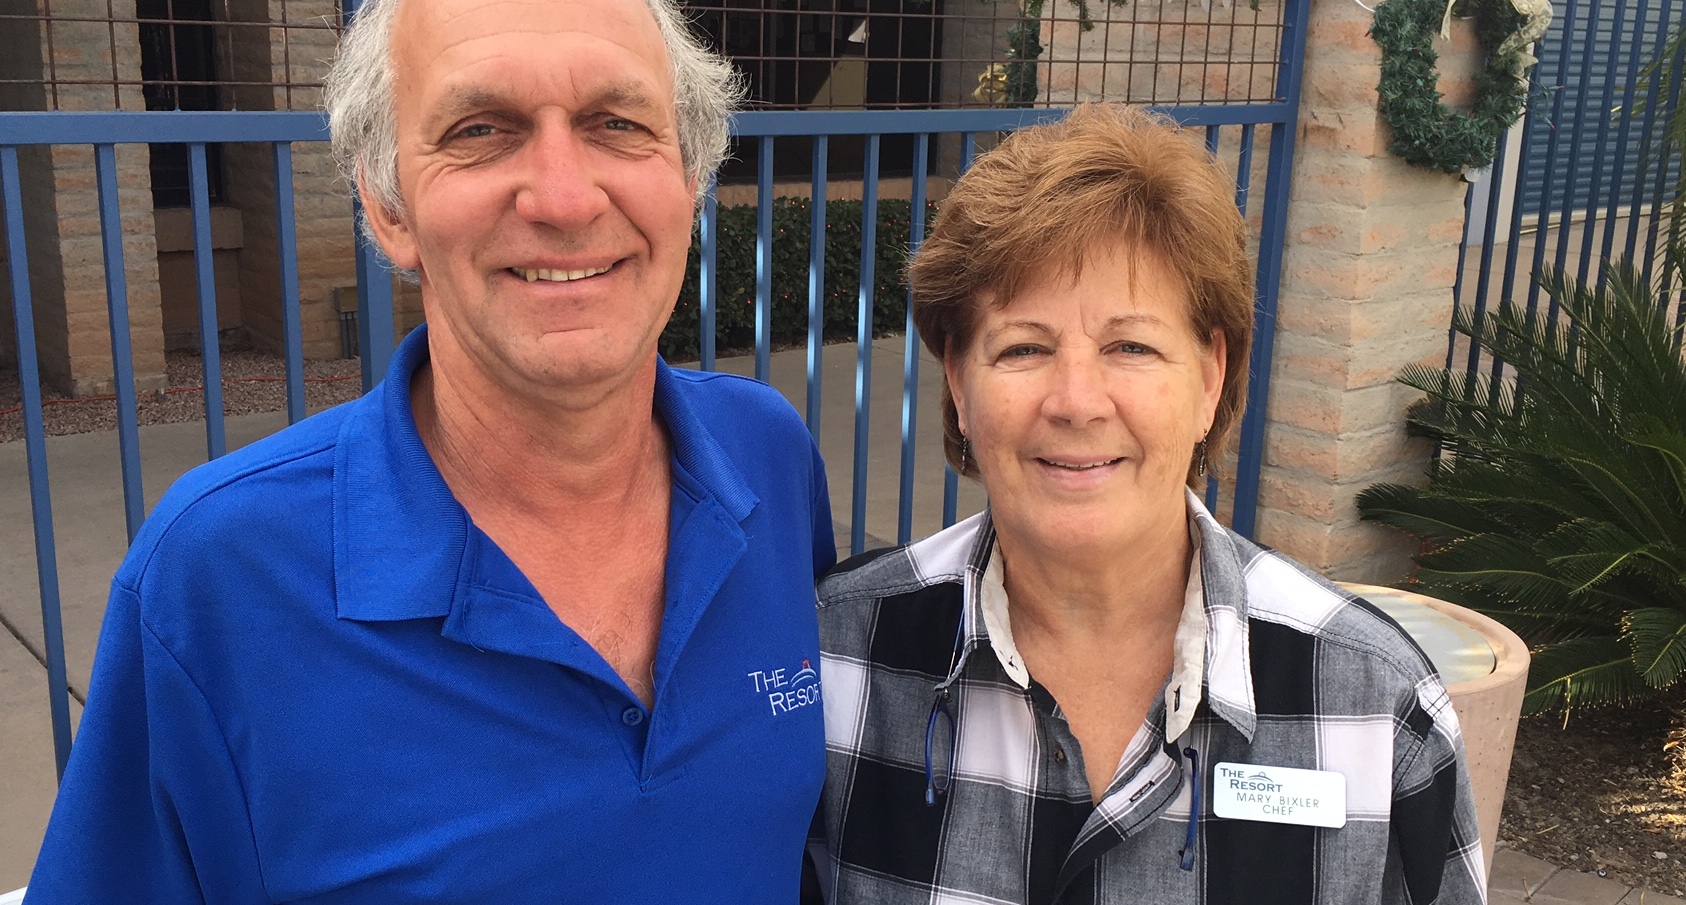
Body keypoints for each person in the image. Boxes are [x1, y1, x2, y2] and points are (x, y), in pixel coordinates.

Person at [26, 0, 835, 901]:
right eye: (480, 130)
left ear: (689, 176)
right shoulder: (216, 577)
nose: (566, 198)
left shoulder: (768, 457)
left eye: (617, 123)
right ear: (386, 206)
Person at [808, 104, 1486, 905]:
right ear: (958, 381)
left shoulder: (1378, 707)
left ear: (1209, 378)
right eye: (1023, 347)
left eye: (1131, 346)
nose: (1076, 400)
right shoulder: (834, 659)